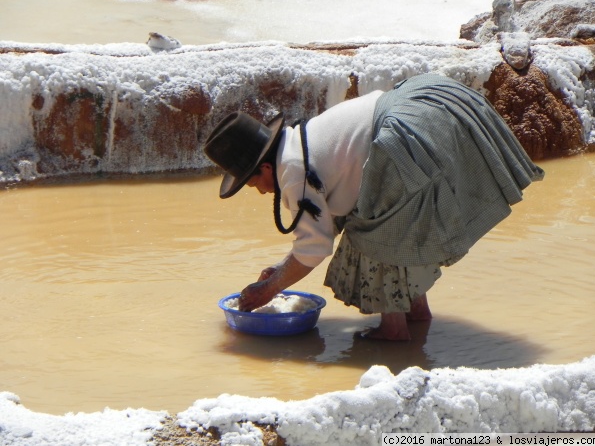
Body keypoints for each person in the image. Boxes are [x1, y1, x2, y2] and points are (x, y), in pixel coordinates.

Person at [203, 73, 544, 341]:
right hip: (421, 108)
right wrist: (279, 269)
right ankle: (415, 312)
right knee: (389, 217)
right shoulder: (297, 142)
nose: (261, 192)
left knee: (372, 233)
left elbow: (314, 246)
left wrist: (271, 288)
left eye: (253, 183)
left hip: (406, 136)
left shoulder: (291, 171)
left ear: (264, 168)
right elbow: (326, 218)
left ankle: (394, 331)